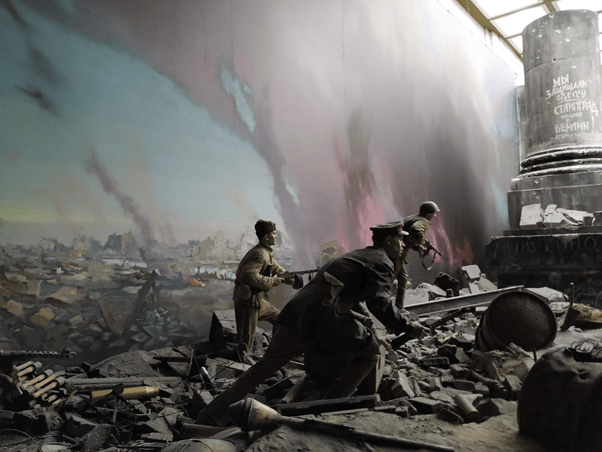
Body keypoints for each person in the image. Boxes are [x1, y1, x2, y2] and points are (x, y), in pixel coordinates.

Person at [196, 220, 429, 426]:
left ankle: (210, 416)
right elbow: (380, 304)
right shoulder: (382, 262)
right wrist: (409, 327)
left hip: (299, 314)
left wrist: (368, 327)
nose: (403, 245)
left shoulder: (360, 256)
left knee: (263, 368)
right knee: (370, 352)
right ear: (388, 240)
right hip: (324, 319)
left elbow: (351, 299)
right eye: (400, 239)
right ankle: (326, 410)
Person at [233, 220, 294, 353]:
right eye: (274, 234)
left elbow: (278, 270)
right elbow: (249, 275)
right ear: (266, 236)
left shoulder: (265, 253)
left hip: (257, 301)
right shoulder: (259, 254)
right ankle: (242, 361)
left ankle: (273, 351)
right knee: (246, 341)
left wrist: (293, 279)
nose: (276, 236)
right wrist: (273, 281)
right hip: (247, 303)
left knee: (278, 318)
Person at [395, 201, 440, 309]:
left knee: (402, 278)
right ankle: (395, 307)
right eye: (434, 213)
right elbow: (416, 230)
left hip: (395, 248)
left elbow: (408, 237)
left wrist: (418, 247)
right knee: (395, 277)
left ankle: (398, 307)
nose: (435, 216)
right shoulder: (423, 221)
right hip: (397, 251)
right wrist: (423, 243)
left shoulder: (413, 218)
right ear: (428, 214)